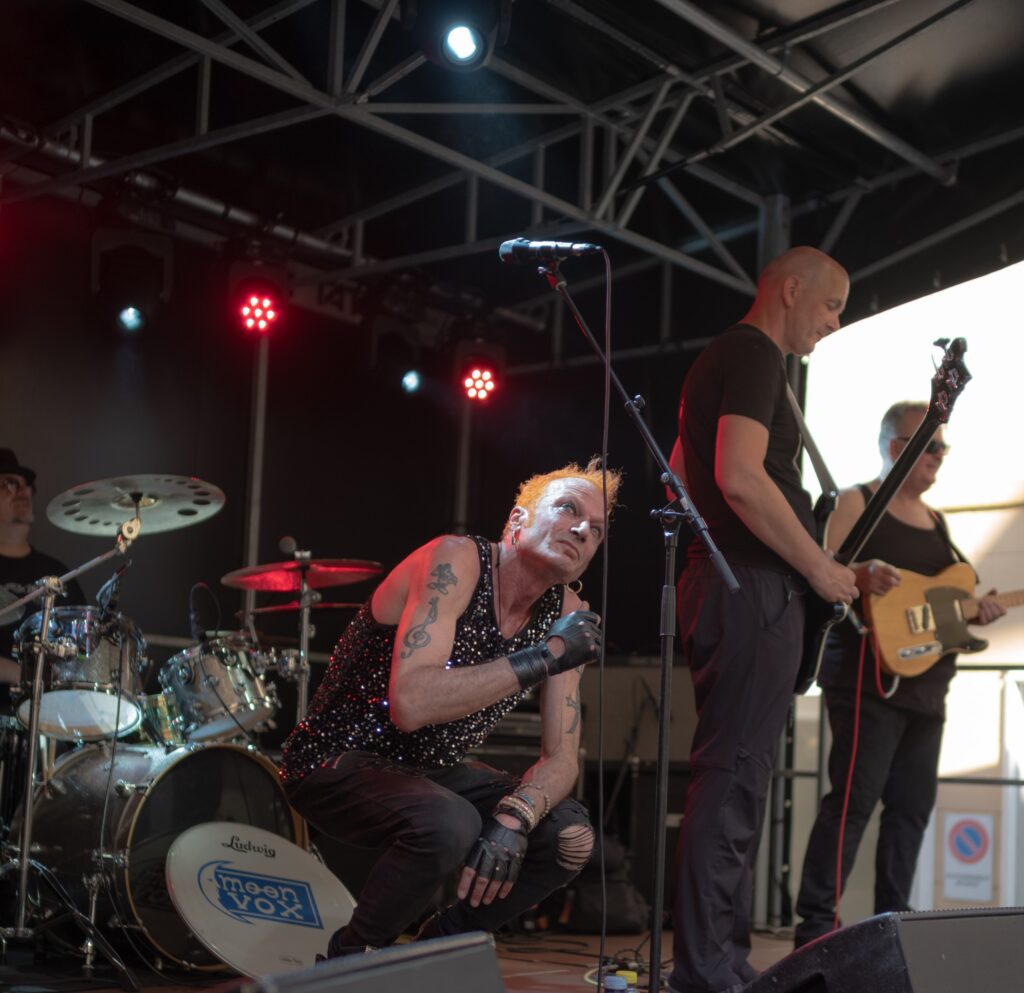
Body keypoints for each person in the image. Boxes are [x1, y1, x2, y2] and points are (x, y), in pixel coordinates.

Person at [279, 458, 620, 957]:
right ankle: (348, 959)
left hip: (430, 770)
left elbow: (562, 757)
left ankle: (437, 948)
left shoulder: (567, 615)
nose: (583, 530)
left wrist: (516, 817)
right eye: (568, 509)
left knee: (570, 837)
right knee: (451, 822)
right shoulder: (456, 561)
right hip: (335, 759)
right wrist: (544, 656)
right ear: (518, 519)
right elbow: (411, 704)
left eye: (596, 530)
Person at [665, 247, 859, 993]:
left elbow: (680, 473)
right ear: (790, 290)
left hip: (728, 584)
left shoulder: (727, 359)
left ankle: (720, 957)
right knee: (734, 776)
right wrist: (817, 567)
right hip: (750, 588)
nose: (834, 324)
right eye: (831, 306)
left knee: (736, 775)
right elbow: (739, 476)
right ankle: (709, 968)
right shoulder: (752, 354)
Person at [793, 402, 1006, 946]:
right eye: (930, 446)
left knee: (911, 809)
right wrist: (858, 573)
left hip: (927, 688)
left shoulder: (938, 523)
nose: (940, 456)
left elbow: (938, 615)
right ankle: (816, 925)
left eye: (943, 447)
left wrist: (975, 611)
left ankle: (895, 929)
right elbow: (819, 570)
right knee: (853, 801)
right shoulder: (856, 502)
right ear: (896, 447)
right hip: (866, 680)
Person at [0, 448, 85, 705]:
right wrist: (21, 674)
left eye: (26, 486)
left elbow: (87, 651)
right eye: (9, 484)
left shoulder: (58, 573)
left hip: (53, 715)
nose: (23, 492)